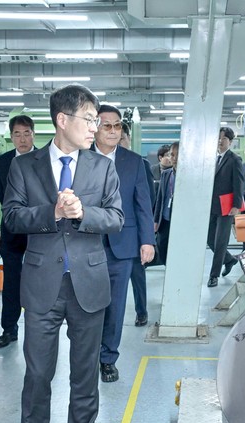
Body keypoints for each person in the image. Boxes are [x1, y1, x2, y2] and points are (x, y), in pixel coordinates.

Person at [2, 85, 124, 423]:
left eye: (96, 121)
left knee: (85, 375)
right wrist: (51, 212)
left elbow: (116, 218)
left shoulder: (102, 167)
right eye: (89, 120)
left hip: (88, 284)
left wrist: (83, 212)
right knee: (37, 375)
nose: (95, 128)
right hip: (42, 287)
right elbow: (12, 217)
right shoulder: (25, 166)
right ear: (62, 120)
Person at [92, 105, 155, 383]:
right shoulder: (80, 157)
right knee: (87, 305)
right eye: (107, 125)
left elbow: (143, 204)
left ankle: (108, 359)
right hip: (86, 244)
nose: (113, 131)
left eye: (117, 125)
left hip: (123, 244)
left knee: (115, 306)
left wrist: (147, 241)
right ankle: (87, 354)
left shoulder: (134, 162)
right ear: (94, 128)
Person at [0, 115, 35, 349]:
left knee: (41, 282)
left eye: (27, 133)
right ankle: (9, 329)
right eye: (17, 134)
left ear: (33, 134)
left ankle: (41, 330)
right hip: (13, 232)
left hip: (40, 231)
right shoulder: (2, 162)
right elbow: (4, 195)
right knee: (11, 283)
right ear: (11, 137)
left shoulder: (45, 159)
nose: (22, 139)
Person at [118, 122, 155, 327]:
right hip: (109, 233)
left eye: (122, 138)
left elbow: (147, 200)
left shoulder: (139, 163)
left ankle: (142, 311)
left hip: (132, 234)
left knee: (137, 277)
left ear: (128, 139)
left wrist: (146, 236)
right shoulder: (100, 163)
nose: (119, 142)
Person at [207, 127, 243, 287]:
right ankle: (229, 260)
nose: (220, 141)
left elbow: (239, 184)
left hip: (227, 207)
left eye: (224, 139)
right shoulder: (212, 158)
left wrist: (236, 205)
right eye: (218, 138)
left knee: (220, 241)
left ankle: (213, 276)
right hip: (212, 206)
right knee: (210, 239)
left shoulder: (234, 159)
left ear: (230, 141)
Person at [152, 141, 178, 266]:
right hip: (165, 218)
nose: (173, 158)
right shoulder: (166, 174)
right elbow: (160, 199)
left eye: (177, 155)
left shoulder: (187, 175)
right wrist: (156, 220)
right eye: (171, 155)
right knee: (161, 247)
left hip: (178, 220)